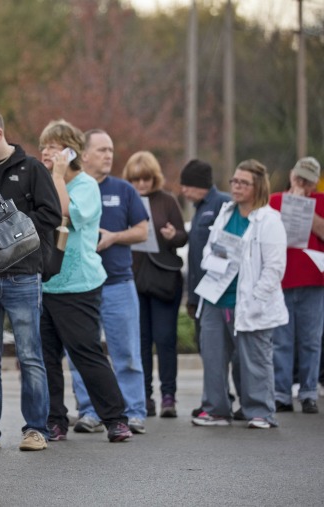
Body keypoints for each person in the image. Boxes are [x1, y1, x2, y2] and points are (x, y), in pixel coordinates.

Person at [0, 106, 61, 451]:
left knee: (30, 354)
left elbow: (51, 214)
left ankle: (37, 428)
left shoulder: (32, 168)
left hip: (24, 274)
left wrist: (11, 227)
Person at [38, 120, 133, 444]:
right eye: (44, 147)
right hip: (45, 283)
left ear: (70, 150)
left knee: (86, 354)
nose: (46, 152)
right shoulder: (46, 180)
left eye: (52, 146)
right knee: (46, 359)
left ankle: (116, 418)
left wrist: (57, 175)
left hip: (78, 285)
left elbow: (65, 212)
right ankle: (55, 421)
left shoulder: (86, 186)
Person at [192, 159, 287, 429]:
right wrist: (212, 258)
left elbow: (275, 267)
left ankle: (259, 411)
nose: (236, 187)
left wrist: (257, 299)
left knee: (254, 359)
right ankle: (216, 410)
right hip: (216, 297)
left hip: (250, 302)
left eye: (243, 183)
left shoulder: (269, 220)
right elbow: (209, 249)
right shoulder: (225, 212)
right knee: (213, 357)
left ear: (258, 187)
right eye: (234, 181)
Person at [69, 129, 149, 435]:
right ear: (84, 154)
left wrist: (116, 236)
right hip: (81, 284)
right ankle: (89, 411)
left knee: (126, 352)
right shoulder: (72, 187)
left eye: (111, 149)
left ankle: (133, 411)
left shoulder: (124, 190)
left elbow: (142, 231)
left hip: (118, 283)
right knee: (83, 352)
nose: (109, 155)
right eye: (102, 149)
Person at [123, 151, 187, 418]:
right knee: (141, 340)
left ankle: (168, 396)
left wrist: (173, 236)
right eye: (136, 179)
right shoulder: (126, 199)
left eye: (146, 179)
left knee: (165, 339)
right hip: (134, 278)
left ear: (154, 178)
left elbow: (183, 236)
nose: (141, 185)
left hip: (163, 280)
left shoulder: (167, 201)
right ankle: (144, 396)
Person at [179, 159, 235, 418]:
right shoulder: (200, 208)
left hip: (221, 293)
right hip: (202, 294)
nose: (183, 191)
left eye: (186, 185)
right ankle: (218, 396)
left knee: (224, 351)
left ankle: (224, 398)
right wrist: (191, 296)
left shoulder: (223, 204)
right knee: (209, 351)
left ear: (199, 185)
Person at [269, 157, 324, 414]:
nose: (302, 183)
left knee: (311, 340)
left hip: (314, 281)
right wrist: (292, 200)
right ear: (291, 175)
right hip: (283, 280)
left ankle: (309, 392)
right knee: (282, 340)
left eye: (307, 180)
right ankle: (281, 393)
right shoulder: (276, 201)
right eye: (299, 177)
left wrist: (303, 205)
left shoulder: (321, 202)